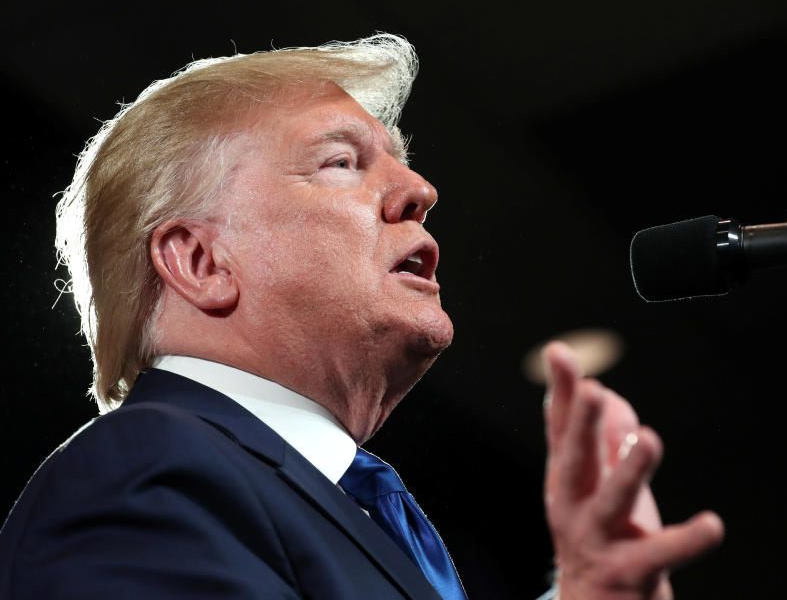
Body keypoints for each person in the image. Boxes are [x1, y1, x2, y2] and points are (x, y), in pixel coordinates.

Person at [0, 34, 723, 600]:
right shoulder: (143, 477)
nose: (419, 189)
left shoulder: (338, 503)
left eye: (400, 161)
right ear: (201, 262)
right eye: (342, 162)